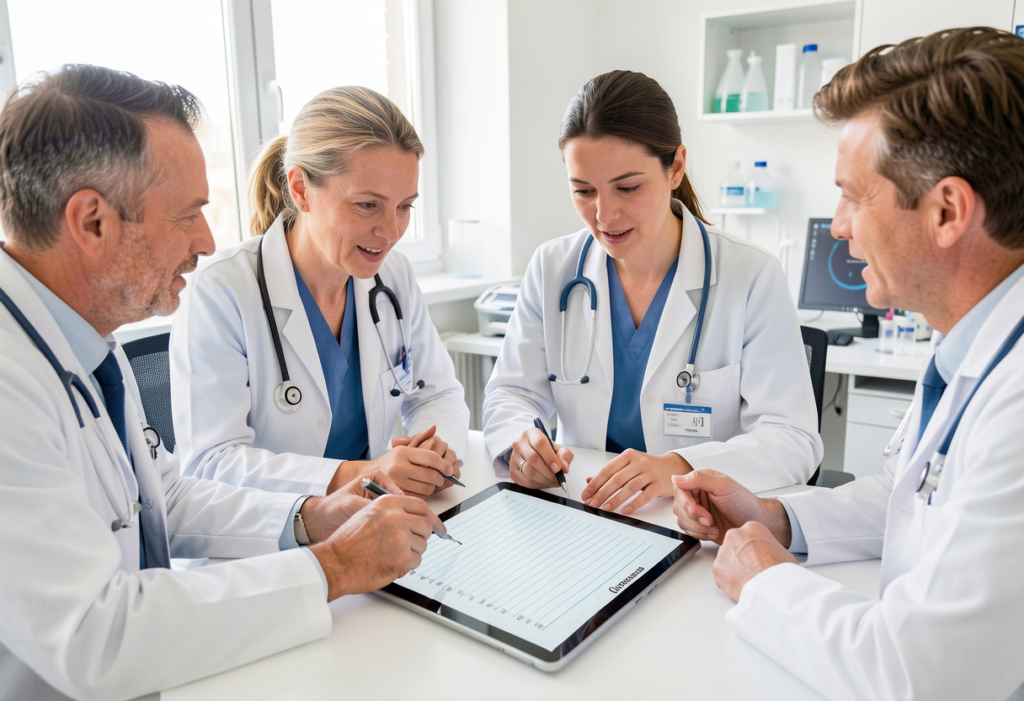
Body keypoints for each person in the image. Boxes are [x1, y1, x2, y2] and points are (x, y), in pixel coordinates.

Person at [0, 65, 447, 701]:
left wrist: (312, 516)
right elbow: (95, 636)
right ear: (92, 222)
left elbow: (166, 500)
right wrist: (335, 566)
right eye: (188, 215)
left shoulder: (85, 341)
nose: (208, 241)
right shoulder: (9, 381)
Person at [672, 27, 1024, 700]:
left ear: (947, 210)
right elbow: (909, 493)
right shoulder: (976, 344)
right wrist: (778, 518)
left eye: (854, 196)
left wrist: (765, 579)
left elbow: (923, 673)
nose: (837, 226)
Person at [483, 70, 823, 514]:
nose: (605, 214)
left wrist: (678, 465)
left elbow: (793, 439)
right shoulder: (553, 267)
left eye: (628, 187)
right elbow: (512, 393)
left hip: (694, 520)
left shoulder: (751, 275)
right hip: (579, 508)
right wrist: (521, 445)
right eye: (583, 191)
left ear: (676, 167)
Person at [170, 86, 469, 500]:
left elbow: (437, 393)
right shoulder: (223, 290)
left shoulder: (392, 276)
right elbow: (211, 462)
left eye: (404, 207)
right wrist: (362, 474)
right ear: (300, 189)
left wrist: (438, 448)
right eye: (367, 205)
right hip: (268, 541)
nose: (390, 232)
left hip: (372, 520)